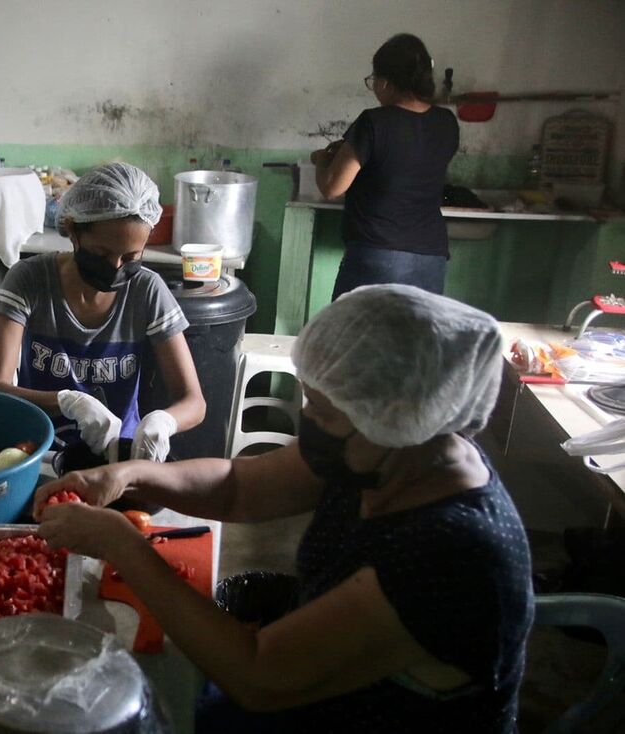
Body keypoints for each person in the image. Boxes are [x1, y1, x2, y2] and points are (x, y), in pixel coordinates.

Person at [34, 284, 534, 733]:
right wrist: (129, 475)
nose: (306, 419)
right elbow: (240, 487)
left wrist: (122, 544)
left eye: (323, 409)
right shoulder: (379, 456)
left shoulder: (452, 550)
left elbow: (259, 675)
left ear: (395, 422)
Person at [0, 162, 205, 462]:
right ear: (73, 231)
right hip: (38, 451)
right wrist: (67, 402)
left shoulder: (146, 290)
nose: (115, 268)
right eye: (101, 253)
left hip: (119, 454)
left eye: (130, 256)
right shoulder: (30, 280)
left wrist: (163, 422)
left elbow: (194, 401)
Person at [311, 33, 459, 300]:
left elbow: (333, 187)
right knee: (414, 339)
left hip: (378, 254)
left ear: (387, 83)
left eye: (374, 80)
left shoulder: (374, 122)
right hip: (431, 257)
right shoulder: (446, 122)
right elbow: (407, 166)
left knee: (355, 337)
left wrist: (322, 160)